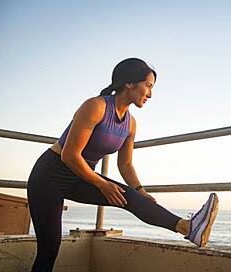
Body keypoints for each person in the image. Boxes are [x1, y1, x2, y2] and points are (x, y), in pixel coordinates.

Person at [27, 57, 219, 271]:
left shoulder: (131, 124)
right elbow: (70, 155)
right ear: (129, 83)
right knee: (50, 247)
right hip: (49, 176)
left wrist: (140, 191)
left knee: (132, 198)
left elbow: (125, 164)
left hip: (80, 176)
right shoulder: (96, 106)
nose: (151, 94)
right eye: (148, 86)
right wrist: (102, 184)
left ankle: (188, 228)